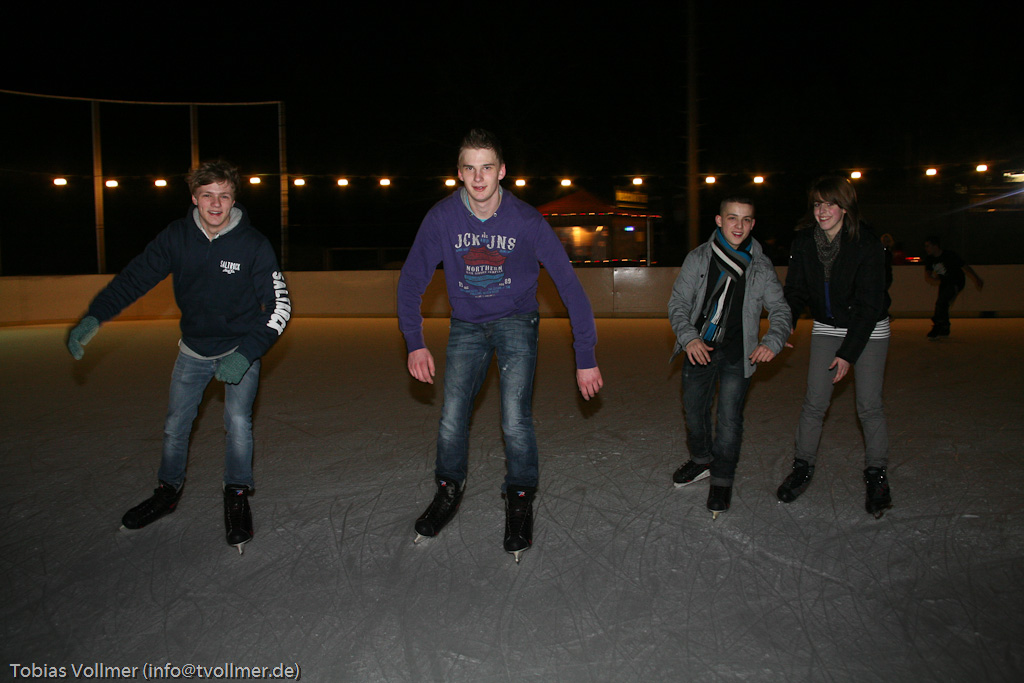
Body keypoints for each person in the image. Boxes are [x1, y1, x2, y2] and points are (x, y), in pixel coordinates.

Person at [397, 129, 603, 562]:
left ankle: (520, 497)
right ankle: (448, 489)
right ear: (458, 172)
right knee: (452, 416)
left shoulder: (526, 220)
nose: (478, 177)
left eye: (486, 167)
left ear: (502, 171)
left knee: (514, 418)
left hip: (516, 320)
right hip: (467, 324)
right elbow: (412, 279)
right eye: (469, 168)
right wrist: (415, 342)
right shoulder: (442, 218)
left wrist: (585, 356)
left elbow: (569, 284)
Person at [66, 160, 291, 553]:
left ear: (233, 199)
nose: (216, 204)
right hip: (193, 349)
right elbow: (135, 277)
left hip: (240, 348)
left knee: (238, 424)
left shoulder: (253, 245)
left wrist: (246, 354)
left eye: (224, 196)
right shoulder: (176, 237)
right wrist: (95, 315)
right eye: (208, 195)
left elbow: (280, 308)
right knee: (175, 425)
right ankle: (167, 493)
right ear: (194, 198)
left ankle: (237, 496)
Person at [776, 176, 892, 518]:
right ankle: (802, 466)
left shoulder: (866, 244)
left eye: (830, 204)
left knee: (869, 405)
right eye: (817, 204)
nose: (822, 211)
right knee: (814, 401)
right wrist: (785, 324)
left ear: (845, 207)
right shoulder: (804, 242)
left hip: (869, 330)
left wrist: (847, 354)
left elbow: (870, 305)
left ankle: (877, 474)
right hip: (827, 327)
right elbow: (795, 291)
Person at [668, 197, 791, 519]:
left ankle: (722, 479)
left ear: (753, 224)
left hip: (738, 352)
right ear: (719, 220)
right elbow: (678, 304)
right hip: (700, 348)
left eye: (746, 219)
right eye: (732, 218)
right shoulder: (698, 258)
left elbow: (780, 310)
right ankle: (701, 460)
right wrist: (689, 337)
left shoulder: (760, 266)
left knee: (729, 420)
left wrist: (773, 341)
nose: (739, 225)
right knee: (694, 412)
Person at [923, 235, 984, 339]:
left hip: (956, 281)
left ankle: (938, 326)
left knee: (942, 302)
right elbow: (928, 275)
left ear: (935, 246)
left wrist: (976, 278)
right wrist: (934, 280)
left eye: (928, 246)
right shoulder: (930, 259)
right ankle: (945, 327)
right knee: (942, 303)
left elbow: (965, 267)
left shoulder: (950, 255)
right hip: (944, 283)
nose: (926, 249)